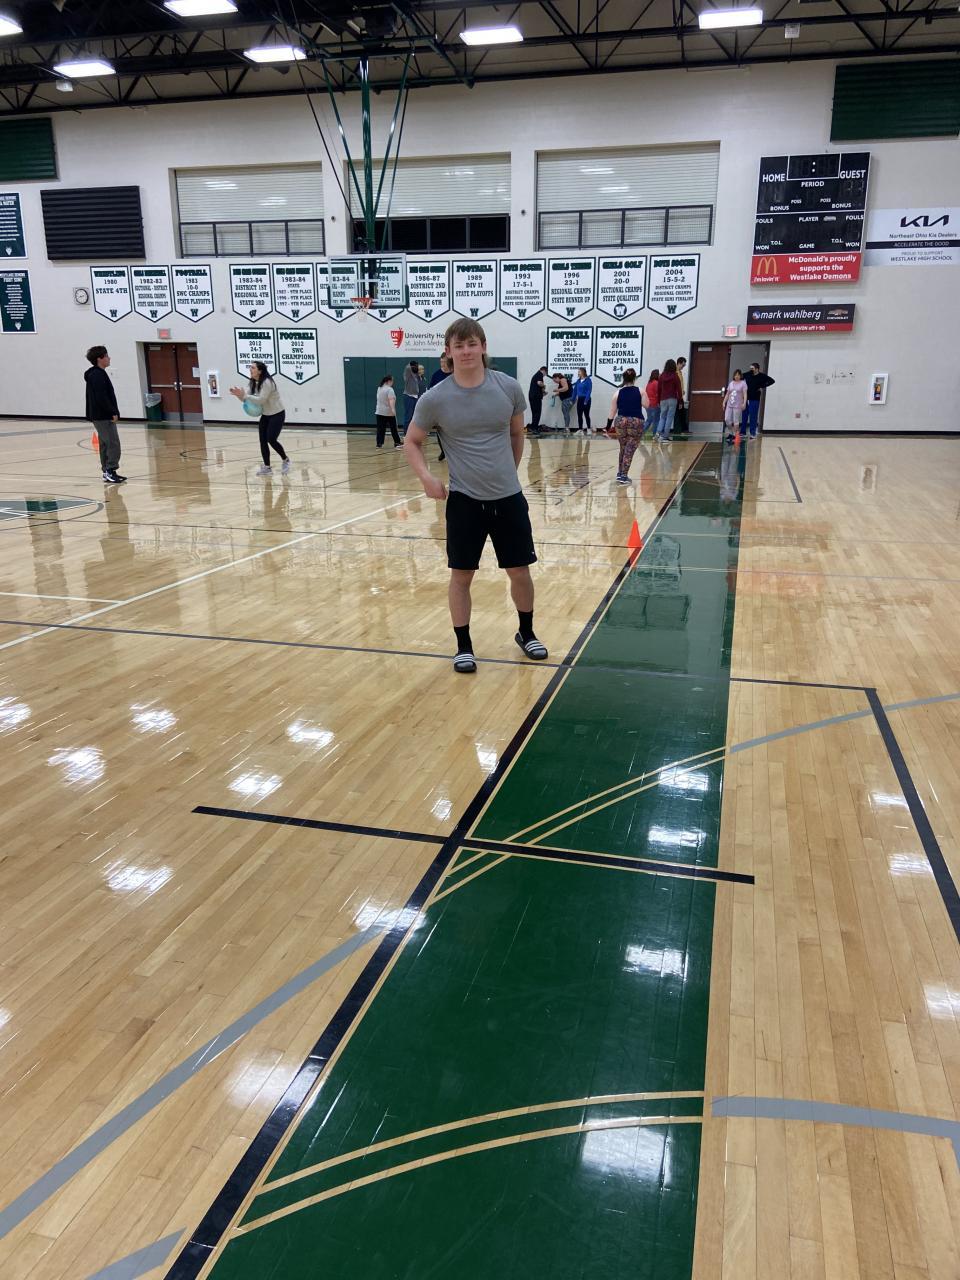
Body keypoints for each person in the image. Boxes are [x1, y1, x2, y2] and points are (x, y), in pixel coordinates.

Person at [404, 317, 547, 675]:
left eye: (472, 344)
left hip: (509, 499)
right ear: (448, 352)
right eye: (459, 345)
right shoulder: (434, 399)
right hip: (464, 502)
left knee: (519, 571)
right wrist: (426, 478)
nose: (466, 351)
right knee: (461, 575)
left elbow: (516, 434)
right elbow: (412, 441)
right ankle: (464, 646)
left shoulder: (508, 388)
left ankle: (526, 632)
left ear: (483, 347)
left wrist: (508, 471)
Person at [230, 362, 288, 475]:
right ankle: (267, 467)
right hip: (265, 415)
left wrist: (245, 396)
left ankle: (286, 460)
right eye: (250, 367)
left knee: (271, 439)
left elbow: (261, 400)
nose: (250, 369)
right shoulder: (252, 382)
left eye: (253, 368)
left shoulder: (267, 382)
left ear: (260, 371)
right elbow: (246, 399)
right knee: (262, 440)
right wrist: (239, 395)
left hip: (277, 414)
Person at [84, 345, 126, 484]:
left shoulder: (98, 373)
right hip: (102, 415)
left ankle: (107, 471)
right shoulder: (97, 375)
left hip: (100, 415)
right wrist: (112, 411)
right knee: (113, 443)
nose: (109, 358)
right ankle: (110, 470)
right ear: (99, 359)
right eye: (106, 356)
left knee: (105, 444)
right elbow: (101, 397)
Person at [609, 367, 646, 485]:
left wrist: (608, 426)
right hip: (635, 421)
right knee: (630, 448)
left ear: (624, 378)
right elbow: (647, 405)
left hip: (620, 421)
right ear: (634, 378)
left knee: (623, 447)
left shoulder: (617, 392)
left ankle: (620, 473)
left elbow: (612, 412)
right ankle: (624, 476)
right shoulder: (640, 391)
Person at [744, 362, 775, 438]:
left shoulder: (762, 376)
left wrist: (762, 386)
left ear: (757, 369)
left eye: (752, 368)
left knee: (753, 416)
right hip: (746, 398)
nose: (751, 370)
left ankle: (753, 433)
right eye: (750, 368)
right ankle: (742, 432)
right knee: (744, 415)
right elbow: (739, 377)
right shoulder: (748, 374)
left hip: (755, 398)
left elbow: (772, 381)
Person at [657, 359, 682, 442]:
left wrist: (658, 401)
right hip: (672, 399)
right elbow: (679, 389)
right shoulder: (675, 376)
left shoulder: (661, 376)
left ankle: (658, 433)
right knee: (669, 417)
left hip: (663, 399)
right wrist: (680, 401)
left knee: (662, 417)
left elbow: (659, 389)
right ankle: (665, 436)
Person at [374, 374, 401, 449]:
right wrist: (393, 410)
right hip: (389, 413)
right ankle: (397, 442)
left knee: (380, 429)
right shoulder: (390, 389)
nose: (393, 382)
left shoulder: (379, 388)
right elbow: (391, 400)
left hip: (379, 412)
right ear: (389, 381)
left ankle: (379, 444)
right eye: (392, 381)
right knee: (393, 428)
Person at [723, 368, 749, 442]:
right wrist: (724, 402)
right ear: (734, 376)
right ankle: (731, 432)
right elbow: (727, 394)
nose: (737, 376)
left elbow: (745, 394)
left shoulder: (743, 383)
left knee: (736, 421)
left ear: (740, 376)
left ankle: (735, 435)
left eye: (738, 375)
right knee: (727, 419)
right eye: (735, 375)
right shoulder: (731, 383)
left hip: (738, 405)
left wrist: (744, 403)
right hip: (729, 404)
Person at [527, 365, 547, 435]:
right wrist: (544, 385)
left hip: (532, 396)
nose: (545, 375)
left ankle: (533, 427)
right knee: (537, 413)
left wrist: (543, 393)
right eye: (545, 374)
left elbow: (537, 387)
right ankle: (534, 428)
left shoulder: (536, 375)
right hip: (536, 397)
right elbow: (539, 383)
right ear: (544, 371)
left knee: (534, 413)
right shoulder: (539, 374)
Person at [573, 367, 592, 433]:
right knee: (579, 415)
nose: (578, 373)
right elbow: (575, 391)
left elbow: (589, 390)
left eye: (579, 371)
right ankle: (580, 429)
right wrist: (572, 399)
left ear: (583, 372)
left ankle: (589, 429)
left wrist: (586, 400)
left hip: (586, 399)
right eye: (578, 372)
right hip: (580, 399)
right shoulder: (578, 381)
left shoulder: (588, 380)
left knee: (586, 415)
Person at [644, 369, 661, 440]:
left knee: (649, 420)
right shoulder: (656, 383)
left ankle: (640, 433)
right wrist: (659, 403)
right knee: (656, 420)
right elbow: (658, 394)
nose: (660, 375)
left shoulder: (649, 383)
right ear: (656, 375)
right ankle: (655, 435)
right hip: (655, 404)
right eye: (659, 374)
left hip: (648, 404)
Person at [675, 356, 688, 434]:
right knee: (680, 413)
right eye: (683, 365)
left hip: (680, 395)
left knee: (681, 412)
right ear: (679, 363)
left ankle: (683, 429)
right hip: (677, 396)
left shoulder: (680, 372)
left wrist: (682, 390)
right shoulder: (675, 372)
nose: (683, 367)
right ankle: (681, 429)